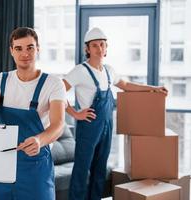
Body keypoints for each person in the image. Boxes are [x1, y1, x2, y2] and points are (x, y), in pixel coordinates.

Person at [63, 27, 168, 200]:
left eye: (102, 45)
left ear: (106, 48)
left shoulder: (109, 70)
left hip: (106, 126)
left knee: (100, 168)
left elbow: (126, 85)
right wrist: (74, 113)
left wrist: (153, 88)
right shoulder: (80, 71)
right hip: (88, 128)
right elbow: (58, 91)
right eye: (94, 45)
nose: (99, 49)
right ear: (87, 49)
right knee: (82, 170)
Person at [0, 27, 67, 200]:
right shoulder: (0, 80)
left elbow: (58, 124)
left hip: (36, 163)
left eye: (30, 47)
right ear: (11, 51)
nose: (25, 53)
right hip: (3, 162)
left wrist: (39, 140)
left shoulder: (54, 84)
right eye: (18, 48)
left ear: (38, 49)